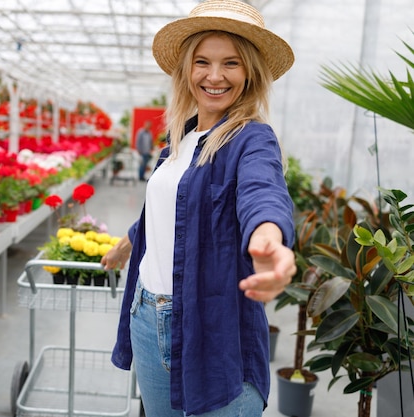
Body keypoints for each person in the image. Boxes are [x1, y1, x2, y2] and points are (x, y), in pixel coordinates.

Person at [100, 1, 297, 416]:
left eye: (231, 63)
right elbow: (166, 213)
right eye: (202, 62)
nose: (214, 76)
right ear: (186, 70)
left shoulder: (251, 139)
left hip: (211, 323)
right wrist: (125, 245)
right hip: (146, 314)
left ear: (250, 73)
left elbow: (263, 191)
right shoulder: (180, 141)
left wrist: (269, 239)